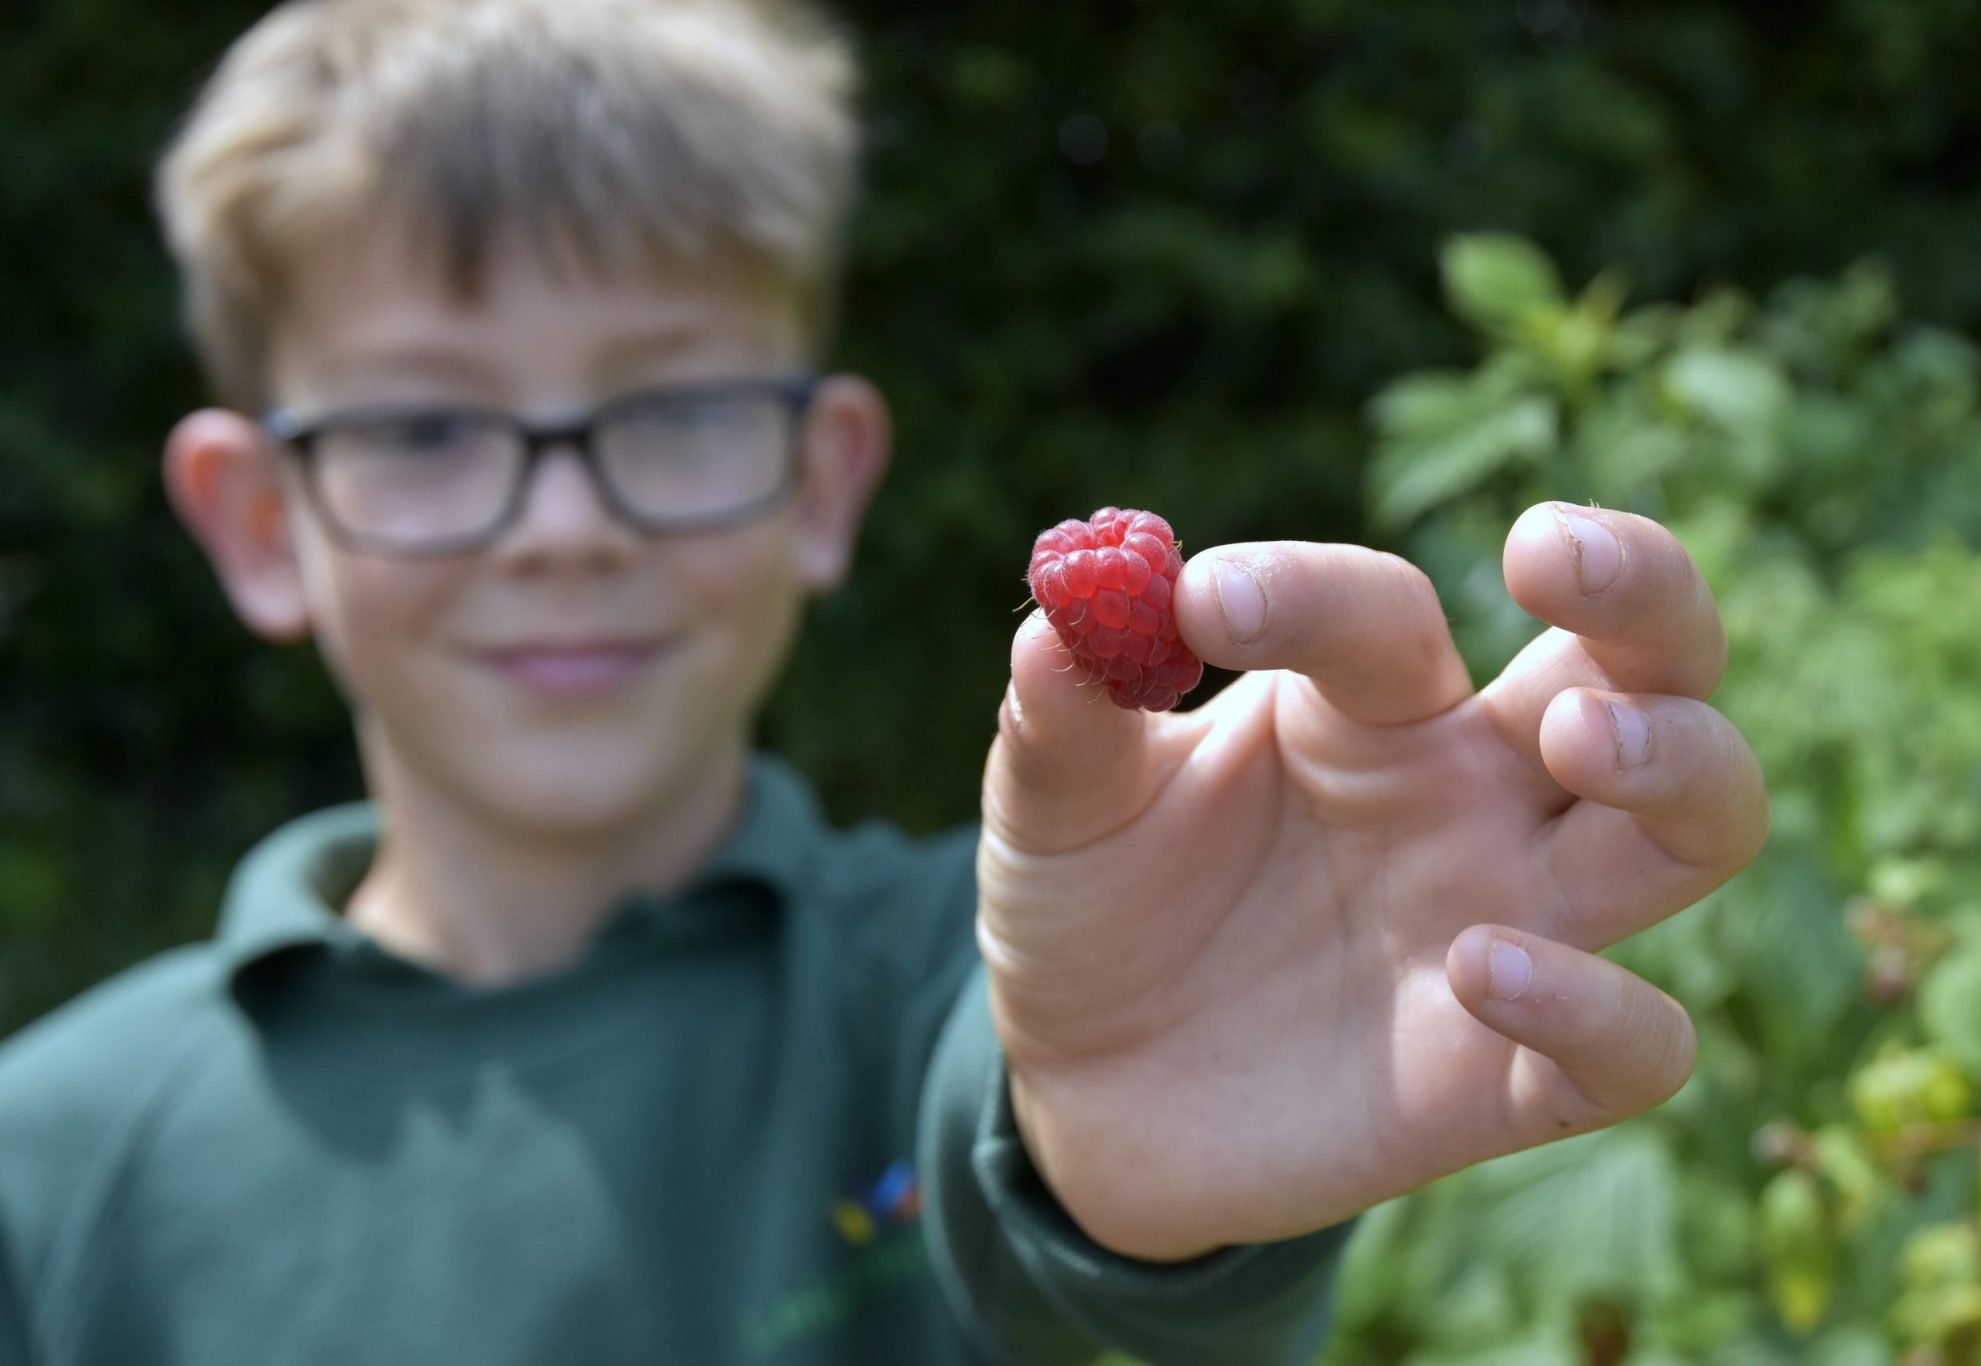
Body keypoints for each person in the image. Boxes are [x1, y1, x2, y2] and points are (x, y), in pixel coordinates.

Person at [0, 0, 1771, 1362]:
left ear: (823, 479)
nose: (561, 526)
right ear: (258, 519)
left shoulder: (987, 978)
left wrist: (1096, 1188)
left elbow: (1027, 1107)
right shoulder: (48, 1164)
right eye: (421, 429)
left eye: (673, 411)